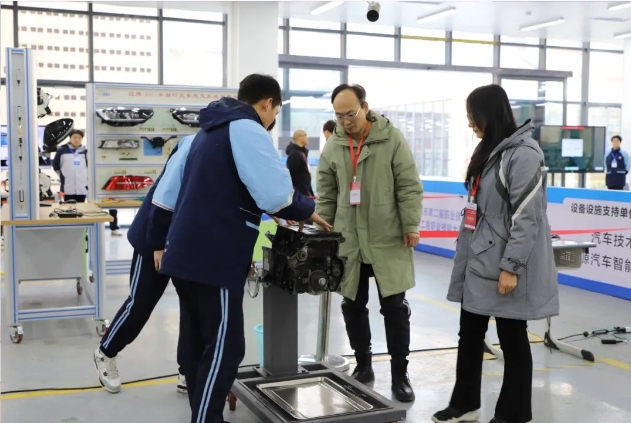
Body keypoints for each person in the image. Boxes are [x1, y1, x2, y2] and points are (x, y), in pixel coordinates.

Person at [157, 74, 332, 423]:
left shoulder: (210, 130)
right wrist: (306, 209)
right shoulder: (246, 128)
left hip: (185, 251)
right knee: (226, 346)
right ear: (267, 103)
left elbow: (227, 187)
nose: (271, 121)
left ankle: (201, 413)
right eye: (275, 113)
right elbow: (275, 194)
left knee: (198, 341)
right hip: (214, 256)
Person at [432, 84, 557, 423]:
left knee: (512, 338)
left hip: (504, 264)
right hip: (479, 258)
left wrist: (512, 267)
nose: (470, 123)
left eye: (473, 116)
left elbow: (527, 215)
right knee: (470, 333)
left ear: (489, 114)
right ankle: (465, 403)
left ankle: (512, 414)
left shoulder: (524, 154)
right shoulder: (490, 150)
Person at [315, 83, 423, 403]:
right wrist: (324, 232)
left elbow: (408, 185)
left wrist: (411, 224)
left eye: (350, 114)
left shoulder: (391, 139)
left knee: (394, 308)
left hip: (387, 236)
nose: (345, 121)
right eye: (338, 116)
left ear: (365, 107)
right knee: (352, 304)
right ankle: (363, 365)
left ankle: (400, 374)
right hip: (349, 238)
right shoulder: (334, 144)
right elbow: (326, 192)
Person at [93, 135, 196, 395]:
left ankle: (187, 370)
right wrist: (158, 244)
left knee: (192, 307)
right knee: (141, 303)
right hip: (154, 236)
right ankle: (106, 352)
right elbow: (164, 197)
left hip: (185, 241)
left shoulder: (226, 147)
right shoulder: (192, 144)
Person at [52, 129, 88, 202]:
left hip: (82, 187)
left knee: (82, 206)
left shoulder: (85, 151)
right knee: (68, 206)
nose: (77, 139)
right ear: (70, 138)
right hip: (67, 187)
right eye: (74, 137)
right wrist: (64, 176)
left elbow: (88, 167)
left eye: (79, 138)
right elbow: (56, 166)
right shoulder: (62, 151)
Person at [286, 129, 315, 198]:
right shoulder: (295, 154)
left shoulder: (302, 153)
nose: (307, 138)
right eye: (305, 135)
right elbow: (292, 175)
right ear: (299, 137)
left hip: (305, 193)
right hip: (300, 195)